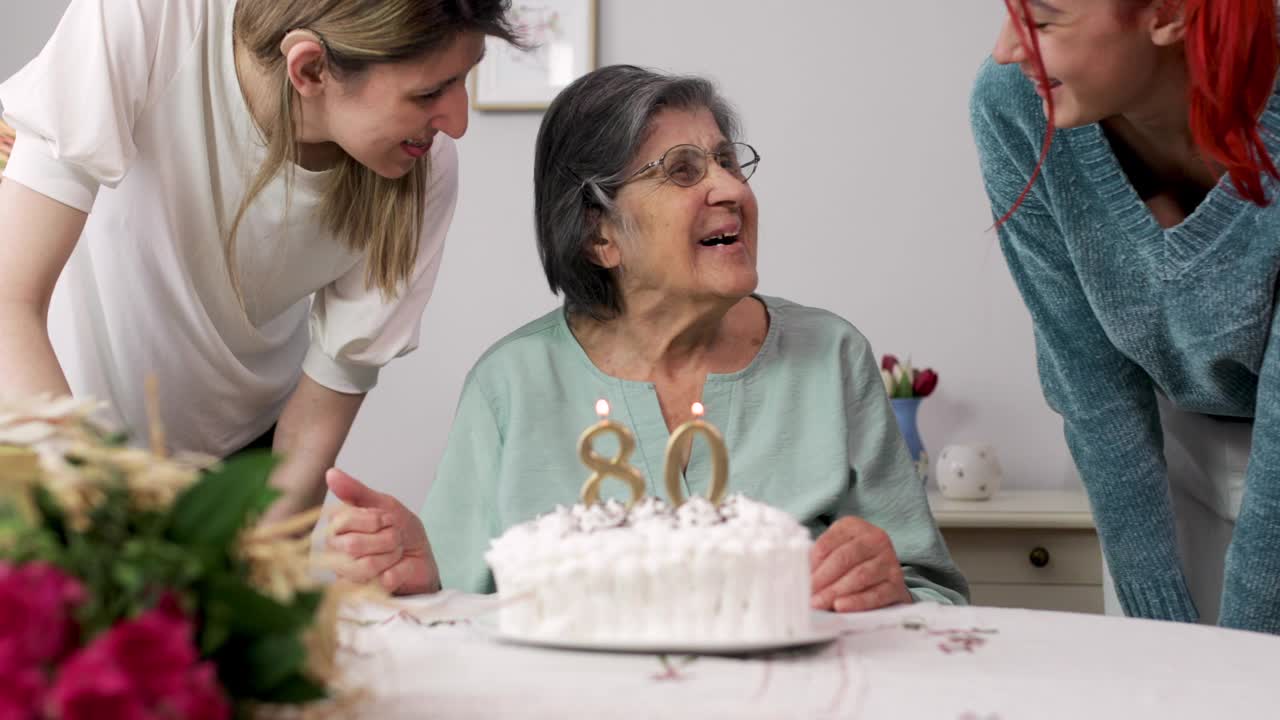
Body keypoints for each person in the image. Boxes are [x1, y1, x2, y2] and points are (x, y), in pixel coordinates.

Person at [325, 65, 968, 612]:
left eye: (726, 160)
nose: (730, 188)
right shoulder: (512, 385)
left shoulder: (830, 357)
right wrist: (421, 573)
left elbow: (937, 597)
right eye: (683, 171)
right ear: (599, 235)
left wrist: (892, 589)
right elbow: (461, 608)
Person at [0, 0, 519, 521]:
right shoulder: (150, 17)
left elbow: (313, 433)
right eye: (428, 92)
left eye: (464, 79)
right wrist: (87, 522)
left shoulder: (423, 172)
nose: (458, 123)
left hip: (242, 467)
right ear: (310, 69)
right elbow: (9, 304)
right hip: (46, 425)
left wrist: (262, 570)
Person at [971, 0, 1280, 632]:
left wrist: (1245, 663)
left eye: (1044, 20)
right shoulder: (1017, 104)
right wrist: (1156, 635)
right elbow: (1089, 380)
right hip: (1168, 450)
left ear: (1167, 14)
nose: (1007, 48)